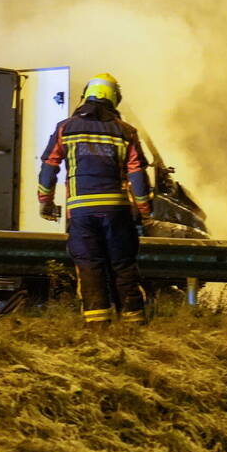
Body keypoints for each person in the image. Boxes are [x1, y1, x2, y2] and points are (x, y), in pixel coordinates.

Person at [37, 73, 153, 328]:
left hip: (81, 211)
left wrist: (45, 202)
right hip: (117, 211)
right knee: (123, 265)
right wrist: (144, 210)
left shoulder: (64, 128)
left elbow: (49, 167)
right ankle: (134, 325)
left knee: (90, 266)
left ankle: (98, 329)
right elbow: (138, 175)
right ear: (115, 99)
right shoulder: (126, 132)